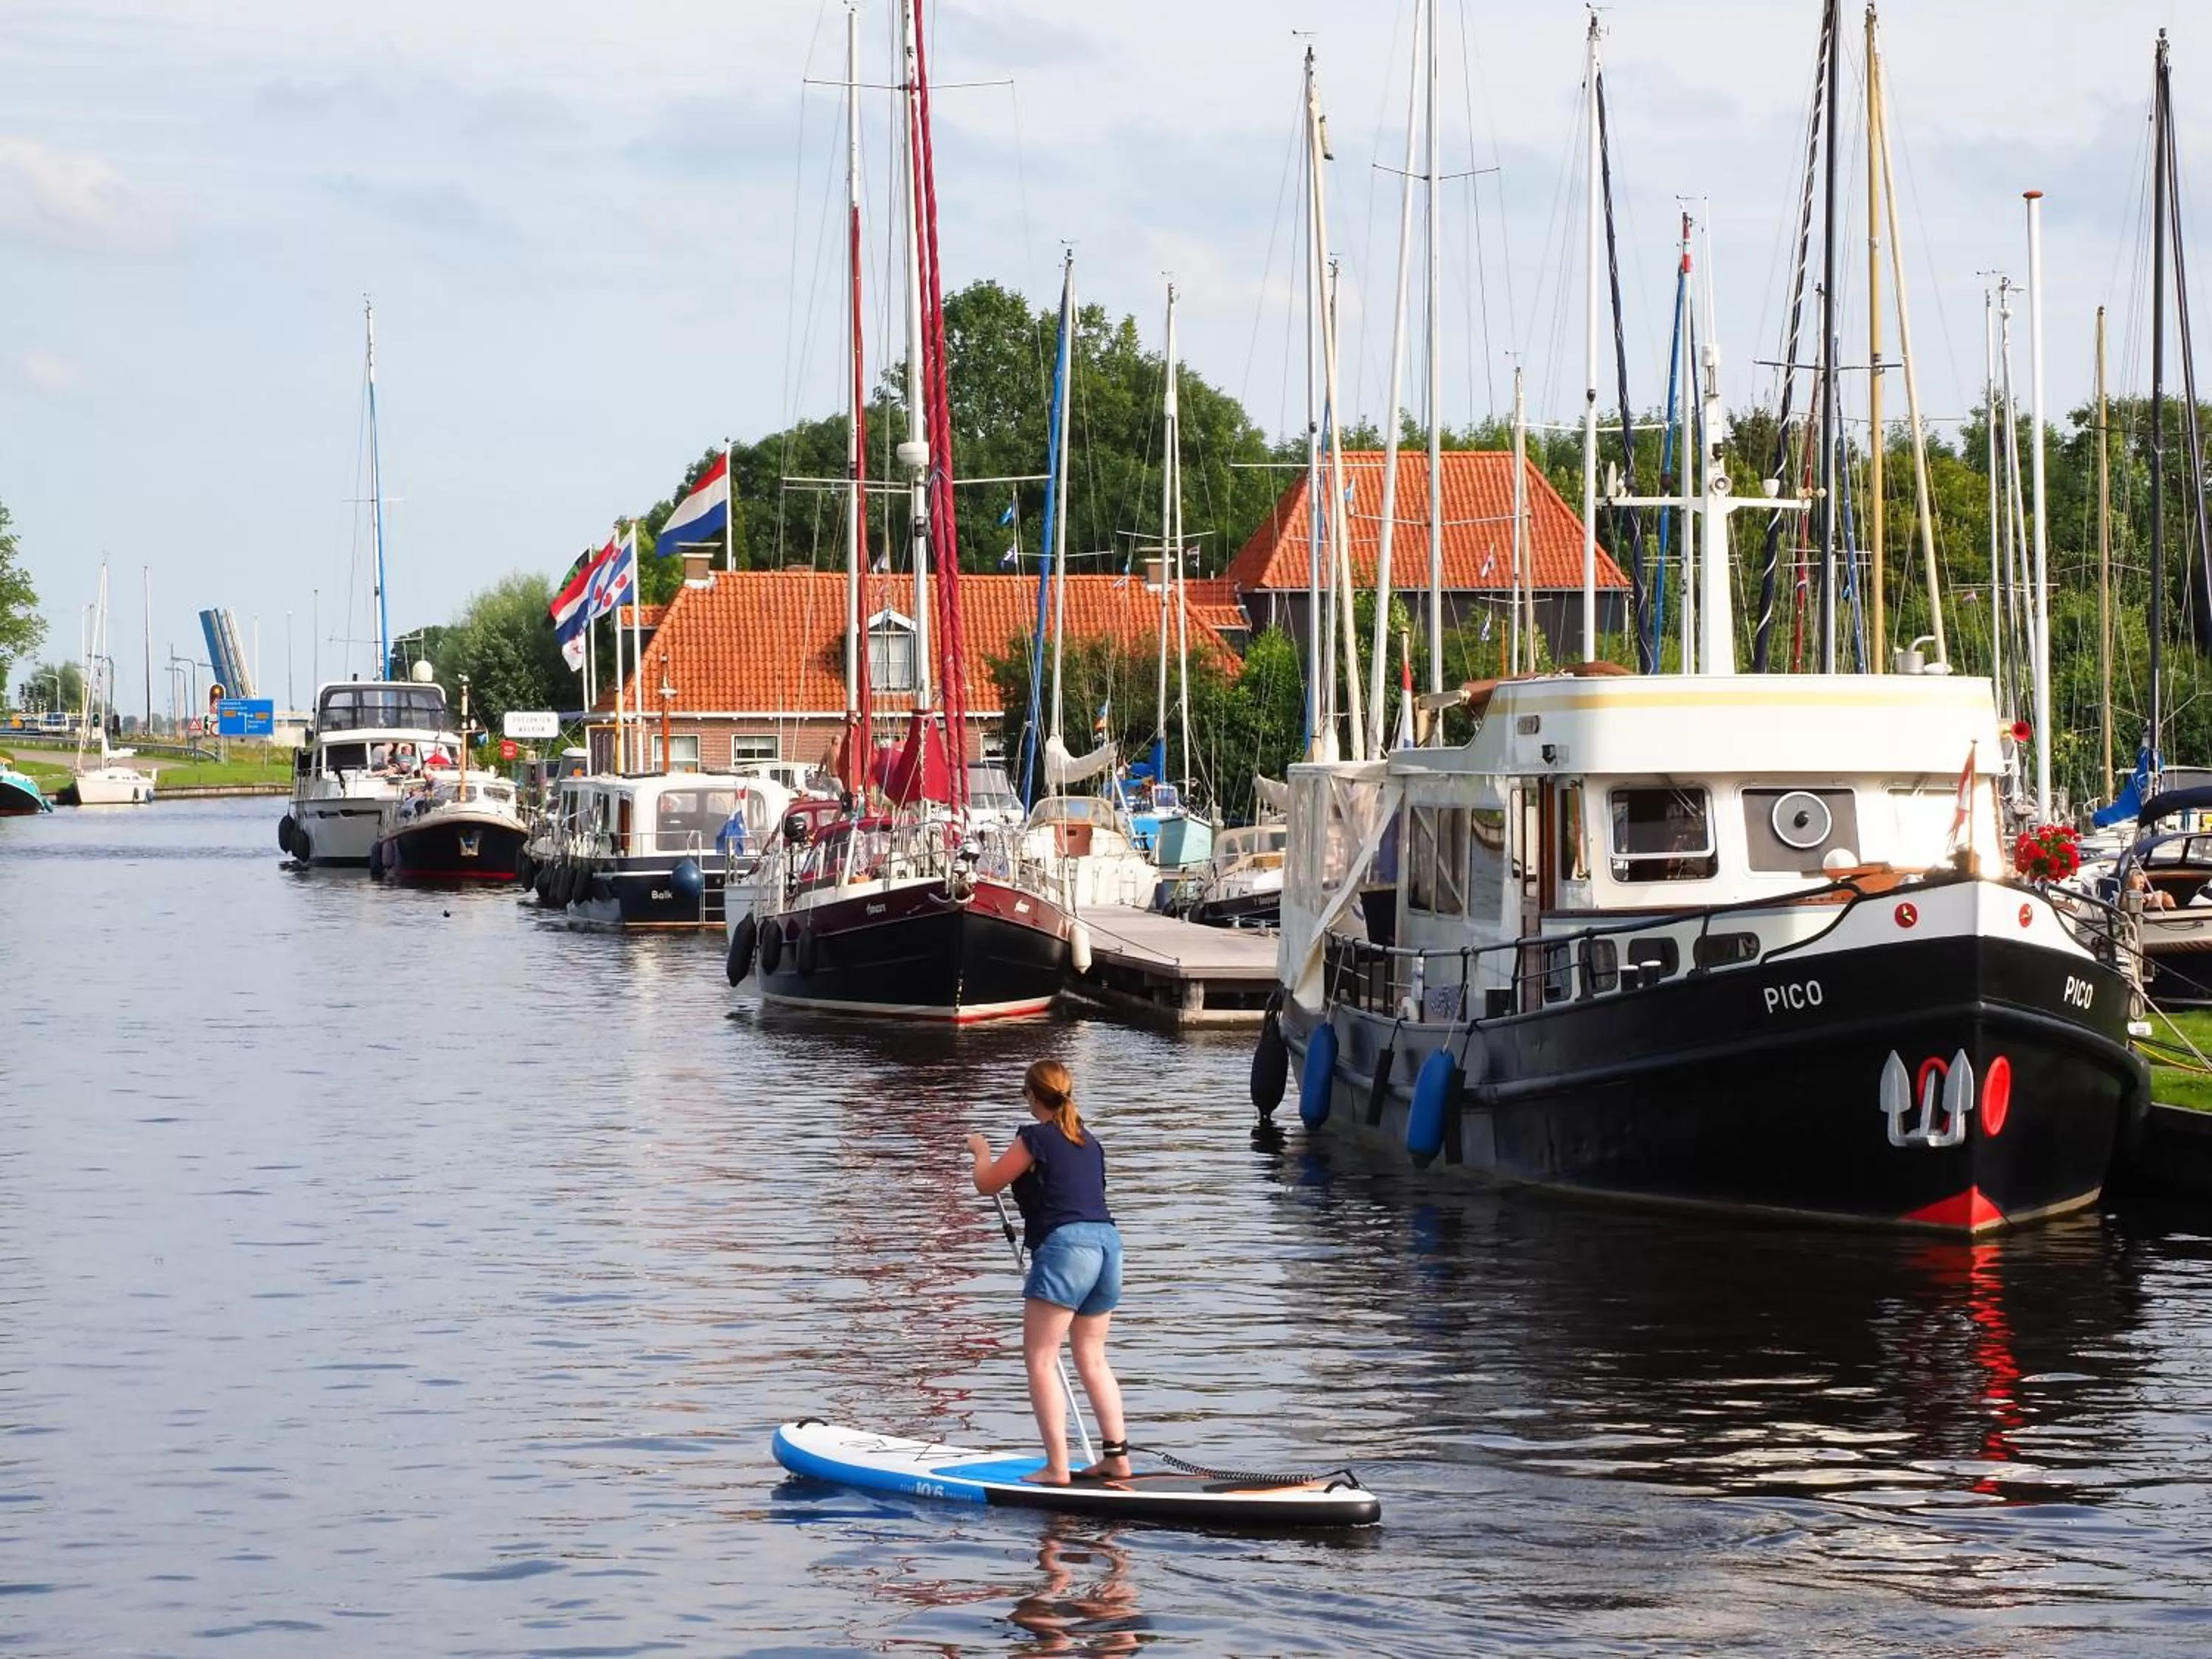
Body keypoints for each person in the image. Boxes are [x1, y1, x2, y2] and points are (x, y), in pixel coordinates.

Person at [966, 1060, 1130, 1486]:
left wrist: (980, 1151)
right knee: (1093, 1358)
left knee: (1040, 1359)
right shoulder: (1089, 1141)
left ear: (1033, 1096)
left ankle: (1057, 1467)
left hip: (1067, 1249)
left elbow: (988, 1184)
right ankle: (1116, 1458)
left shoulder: (1033, 1137)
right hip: (1109, 1246)